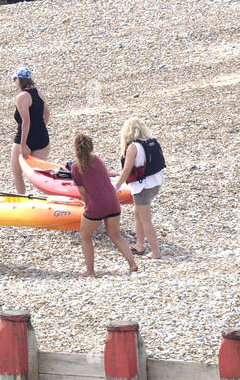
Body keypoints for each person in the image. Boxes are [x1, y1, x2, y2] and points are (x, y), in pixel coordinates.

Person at [70, 133, 139, 277]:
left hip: (96, 205)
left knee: (85, 237)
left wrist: (85, 206)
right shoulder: (98, 160)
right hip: (113, 202)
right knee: (115, 234)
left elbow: (82, 192)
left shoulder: (76, 167)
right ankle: (132, 264)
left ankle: (90, 271)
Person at [114, 117, 167, 258]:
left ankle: (155, 252)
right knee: (137, 213)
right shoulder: (150, 142)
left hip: (142, 188)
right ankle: (139, 244)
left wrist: (117, 186)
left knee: (146, 220)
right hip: (155, 183)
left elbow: (126, 170)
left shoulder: (133, 147)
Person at [10, 66, 51, 193]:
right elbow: (47, 114)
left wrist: (23, 145)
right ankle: (53, 199)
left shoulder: (22, 96)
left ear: (19, 80)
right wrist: (39, 128)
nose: (14, 82)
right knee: (42, 176)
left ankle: (22, 200)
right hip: (42, 140)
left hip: (24, 140)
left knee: (17, 173)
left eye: (14, 79)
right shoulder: (39, 93)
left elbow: (25, 121)